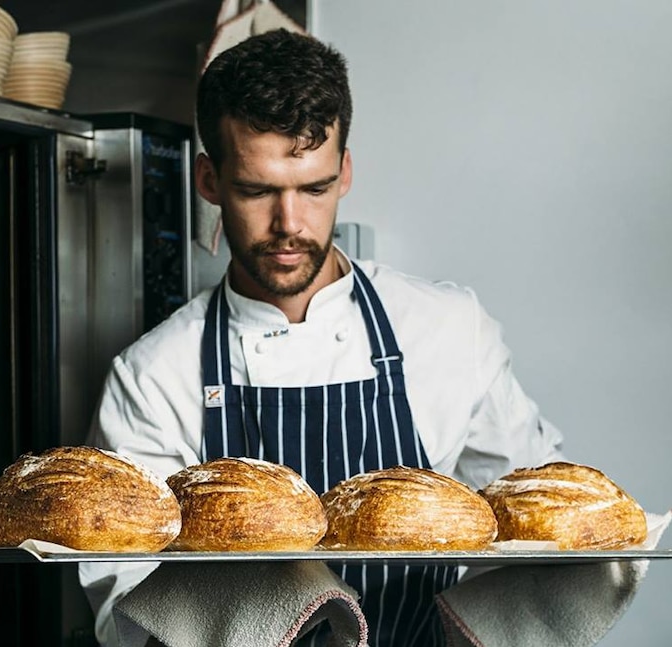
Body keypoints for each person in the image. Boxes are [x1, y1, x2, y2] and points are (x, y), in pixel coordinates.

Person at [79, 28, 564, 647]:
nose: (290, 225)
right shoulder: (153, 375)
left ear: (346, 172)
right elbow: (125, 606)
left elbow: (532, 527)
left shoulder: (448, 329)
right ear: (209, 180)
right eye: (257, 191)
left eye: (315, 188)